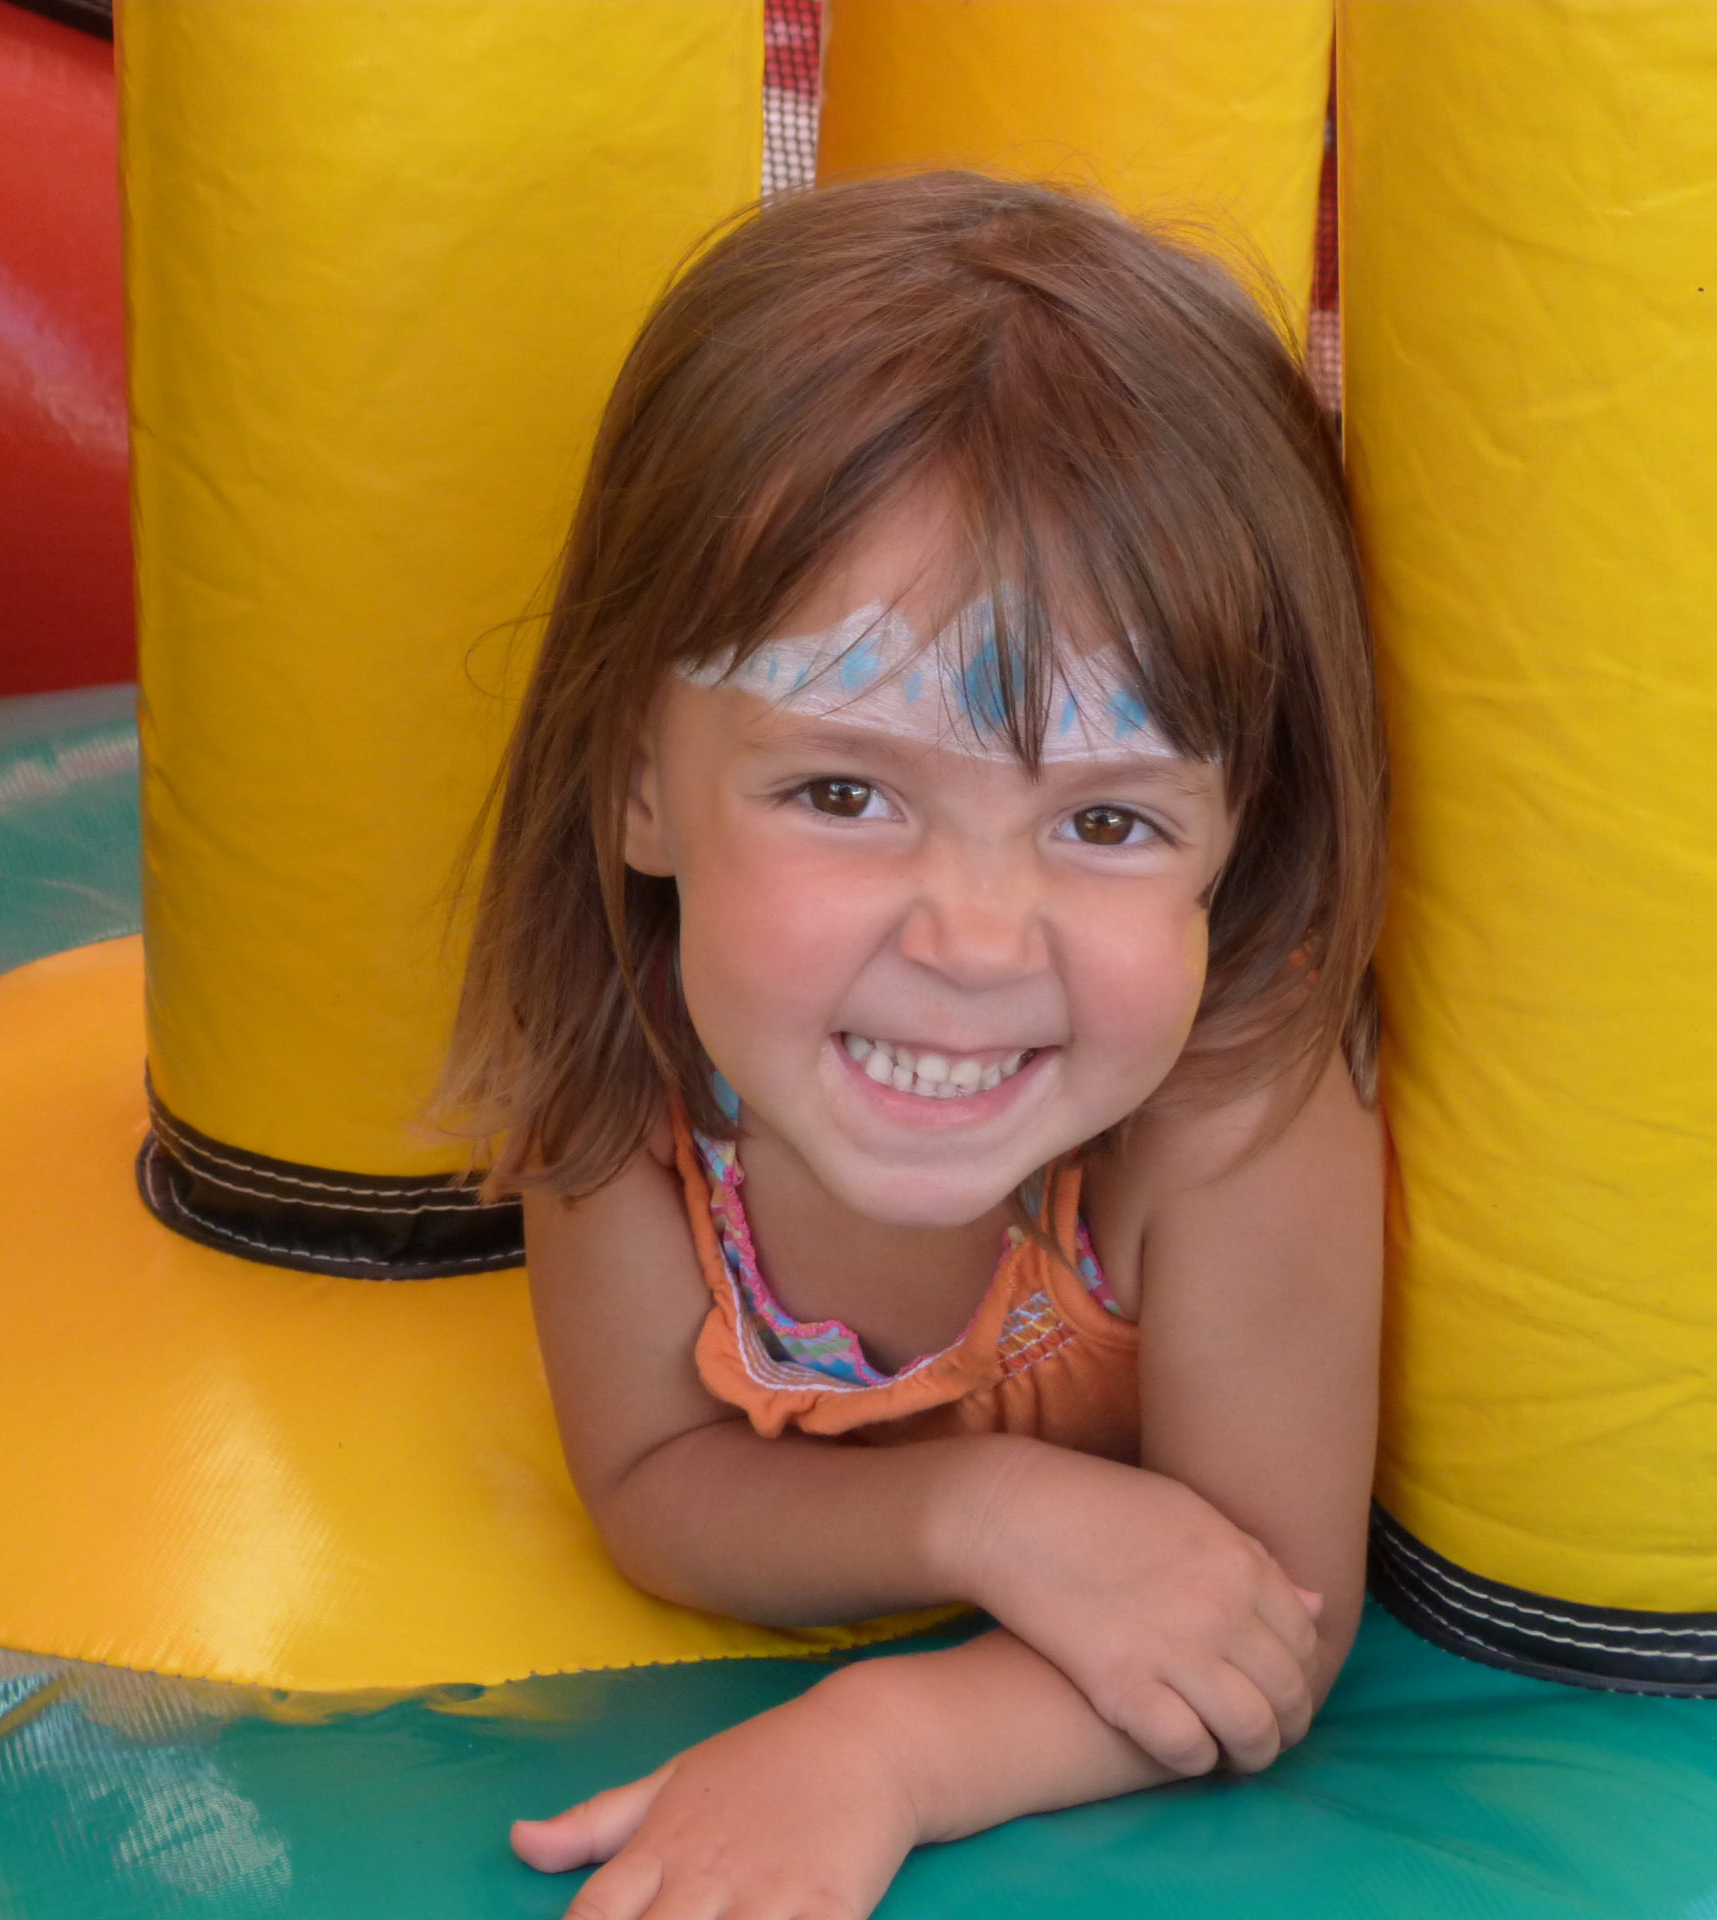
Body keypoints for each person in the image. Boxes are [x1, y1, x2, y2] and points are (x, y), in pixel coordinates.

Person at [443, 172, 1387, 1920]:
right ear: (639, 782)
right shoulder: (633, 1075)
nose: (972, 937)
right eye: (844, 790)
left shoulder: (1236, 1113)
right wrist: (987, 1513)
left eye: (1108, 824)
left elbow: (1268, 1621)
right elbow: (653, 1479)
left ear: (1239, 834)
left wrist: (889, 1747)